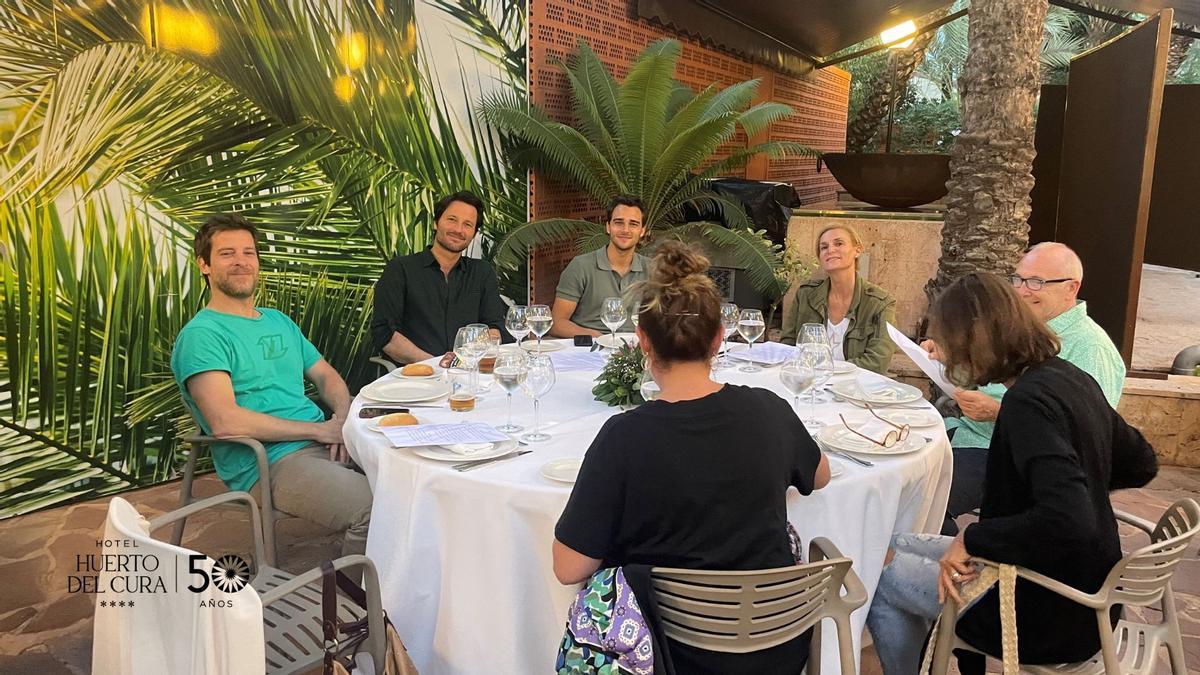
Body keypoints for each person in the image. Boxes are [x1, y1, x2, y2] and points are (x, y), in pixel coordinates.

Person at [553, 241, 831, 674]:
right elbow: (822, 475)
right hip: (776, 650)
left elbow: (568, 567)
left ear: (642, 340)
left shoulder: (624, 436)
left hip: (663, 655)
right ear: (720, 337)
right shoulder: (769, 408)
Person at [866, 273, 1156, 675]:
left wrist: (972, 536)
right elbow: (1142, 462)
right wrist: (1079, 477)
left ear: (975, 341)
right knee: (889, 544)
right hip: (1086, 586)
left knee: (874, 573)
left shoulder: (1027, 404)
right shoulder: (1070, 376)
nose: (942, 357)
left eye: (948, 343)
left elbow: (1069, 519)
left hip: (1049, 609)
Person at [171, 214, 371, 556]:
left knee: (417, 486)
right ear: (203, 265)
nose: (241, 262)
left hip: (325, 438)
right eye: (227, 254)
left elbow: (326, 376)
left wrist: (341, 418)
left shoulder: (278, 320)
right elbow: (225, 422)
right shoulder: (203, 336)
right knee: (377, 512)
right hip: (269, 461)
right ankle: (361, 599)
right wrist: (317, 431)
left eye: (248, 253)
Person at [930, 242, 1126, 535]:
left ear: (1071, 288)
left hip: (1004, 456)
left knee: (926, 501)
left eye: (1036, 282)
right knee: (900, 477)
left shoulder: (1091, 348)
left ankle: (943, 574)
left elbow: (1088, 435)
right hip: (968, 433)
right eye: (1018, 279)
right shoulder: (1028, 330)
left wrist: (999, 412)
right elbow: (989, 375)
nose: (1021, 291)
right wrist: (948, 354)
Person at [371, 190, 507, 364]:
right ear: (436, 222)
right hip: (417, 376)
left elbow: (494, 327)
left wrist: (465, 360)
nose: (458, 230)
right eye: (452, 220)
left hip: (469, 373)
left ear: (473, 234)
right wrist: (436, 363)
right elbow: (385, 333)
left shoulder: (482, 272)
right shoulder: (400, 269)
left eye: (467, 224)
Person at [780, 225, 896, 374]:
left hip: (856, 389)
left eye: (838, 243)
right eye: (824, 247)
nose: (830, 250)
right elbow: (787, 347)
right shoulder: (805, 295)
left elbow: (878, 362)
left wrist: (827, 370)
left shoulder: (881, 303)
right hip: (810, 384)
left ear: (857, 250)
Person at [549, 195, 650, 337]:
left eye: (633, 224)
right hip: (590, 350)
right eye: (618, 222)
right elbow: (557, 323)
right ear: (608, 227)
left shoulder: (654, 270)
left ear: (642, 231)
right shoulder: (580, 267)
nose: (625, 230)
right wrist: (596, 337)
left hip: (638, 351)